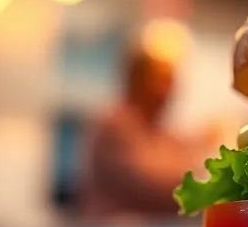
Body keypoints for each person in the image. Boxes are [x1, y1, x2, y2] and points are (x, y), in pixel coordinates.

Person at [79, 48, 209, 218]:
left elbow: (185, 167)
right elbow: (149, 183)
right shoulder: (115, 126)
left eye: (171, 81)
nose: (170, 89)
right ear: (137, 80)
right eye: (162, 80)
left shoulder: (162, 133)